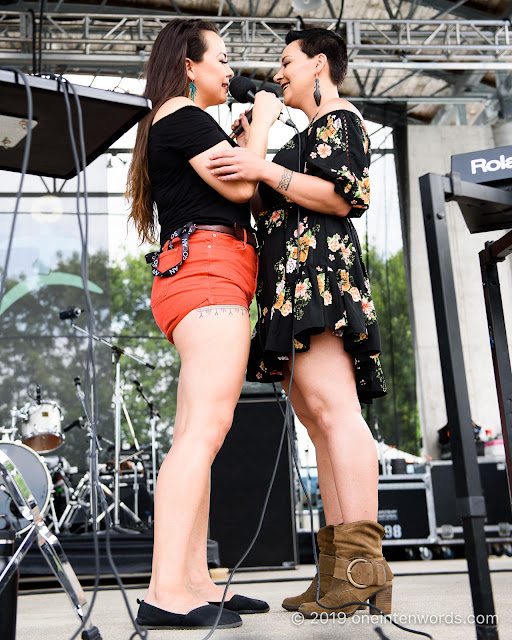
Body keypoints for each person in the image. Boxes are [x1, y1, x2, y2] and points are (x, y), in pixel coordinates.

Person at [208, 28, 393, 618]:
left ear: (319, 64)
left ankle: (364, 567)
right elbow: (267, 199)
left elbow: (343, 198)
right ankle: (340, 571)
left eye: (286, 63)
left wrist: (265, 168)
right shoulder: (305, 133)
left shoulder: (342, 119)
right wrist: (254, 154)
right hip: (290, 281)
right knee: (319, 421)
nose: (278, 74)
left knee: (336, 414)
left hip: (320, 276)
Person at [125, 18, 282, 630]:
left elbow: (236, 182)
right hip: (208, 274)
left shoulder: (180, 123)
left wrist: (245, 140)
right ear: (188, 65)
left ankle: (195, 581)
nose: (229, 69)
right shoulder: (182, 117)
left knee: (197, 432)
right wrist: (263, 125)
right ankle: (167, 591)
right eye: (221, 57)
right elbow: (245, 189)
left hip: (197, 274)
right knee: (203, 434)